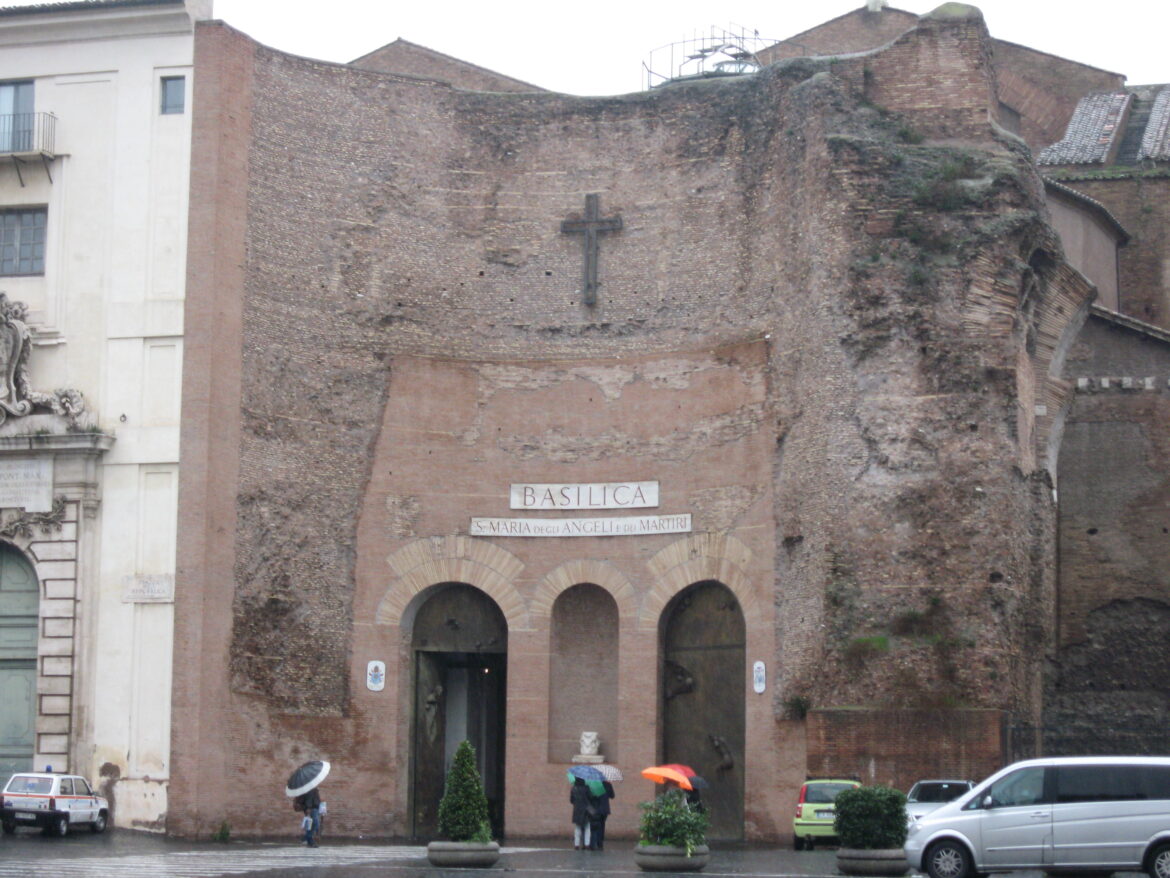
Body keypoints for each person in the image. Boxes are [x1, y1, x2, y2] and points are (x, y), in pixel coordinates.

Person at [589, 780, 614, 850]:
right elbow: (612, 796)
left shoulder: (595, 785)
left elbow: (592, 797)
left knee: (595, 826)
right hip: (605, 809)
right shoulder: (608, 784)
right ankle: (600, 843)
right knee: (602, 826)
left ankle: (594, 843)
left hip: (597, 809)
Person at [569, 776, 592, 850]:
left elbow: (571, 800)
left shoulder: (573, 788)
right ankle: (587, 844)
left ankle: (576, 844)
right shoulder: (586, 788)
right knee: (587, 827)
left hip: (577, 810)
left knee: (577, 827)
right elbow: (590, 798)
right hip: (586, 809)